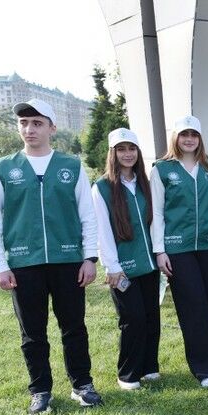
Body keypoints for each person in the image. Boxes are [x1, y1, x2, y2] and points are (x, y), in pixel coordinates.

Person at [0, 98, 103, 414]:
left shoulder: (71, 166)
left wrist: (89, 258)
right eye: (24, 123)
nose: (29, 129)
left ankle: (82, 385)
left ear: (52, 128)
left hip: (67, 261)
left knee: (74, 327)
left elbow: (87, 215)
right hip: (23, 263)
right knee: (32, 334)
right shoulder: (3, 168)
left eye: (37, 123)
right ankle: (40, 391)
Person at [151, 116, 208, 387]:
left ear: (200, 138)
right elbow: (156, 212)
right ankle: (206, 368)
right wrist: (159, 250)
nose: (189, 139)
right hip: (177, 248)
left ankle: (204, 352)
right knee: (193, 304)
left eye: (194, 134)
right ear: (175, 137)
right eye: (184, 134)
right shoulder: (162, 169)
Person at [92, 128, 160, 391]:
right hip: (122, 268)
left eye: (131, 148)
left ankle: (149, 366)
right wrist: (112, 266)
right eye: (121, 149)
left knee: (151, 316)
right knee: (133, 319)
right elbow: (102, 232)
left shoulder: (145, 183)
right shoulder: (102, 188)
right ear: (113, 153)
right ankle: (128, 373)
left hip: (149, 264)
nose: (127, 154)